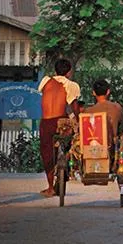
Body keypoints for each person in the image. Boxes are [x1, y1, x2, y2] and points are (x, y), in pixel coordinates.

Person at [37, 58, 81, 197]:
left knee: (47, 153)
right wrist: (78, 121)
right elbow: (73, 106)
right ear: (68, 72)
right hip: (61, 122)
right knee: (72, 141)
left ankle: (50, 187)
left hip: (45, 122)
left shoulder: (45, 80)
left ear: (55, 71)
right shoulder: (71, 85)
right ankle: (68, 164)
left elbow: (45, 94)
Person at [83, 79, 123, 166]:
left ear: (94, 93)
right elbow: (121, 123)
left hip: (90, 148)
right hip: (111, 147)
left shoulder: (87, 112)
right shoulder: (117, 107)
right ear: (108, 92)